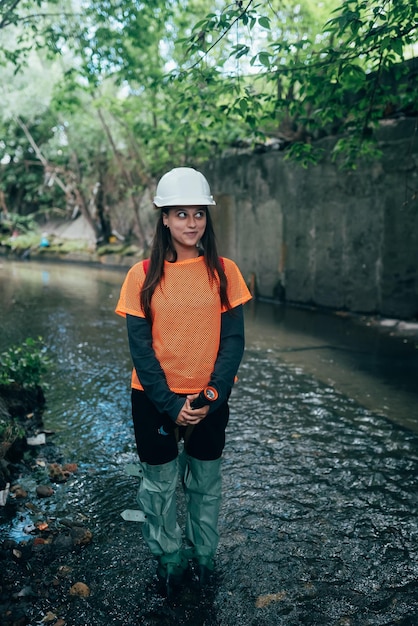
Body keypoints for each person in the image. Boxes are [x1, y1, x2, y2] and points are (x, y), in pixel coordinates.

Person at [115, 167, 252, 597]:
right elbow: (141, 351)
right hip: (154, 398)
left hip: (209, 396)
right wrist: (172, 406)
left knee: (205, 484)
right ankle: (170, 561)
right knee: (157, 486)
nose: (192, 223)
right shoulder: (141, 275)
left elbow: (233, 342)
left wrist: (211, 394)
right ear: (164, 219)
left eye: (199, 213)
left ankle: (204, 558)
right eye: (181, 214)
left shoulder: (224, 271)